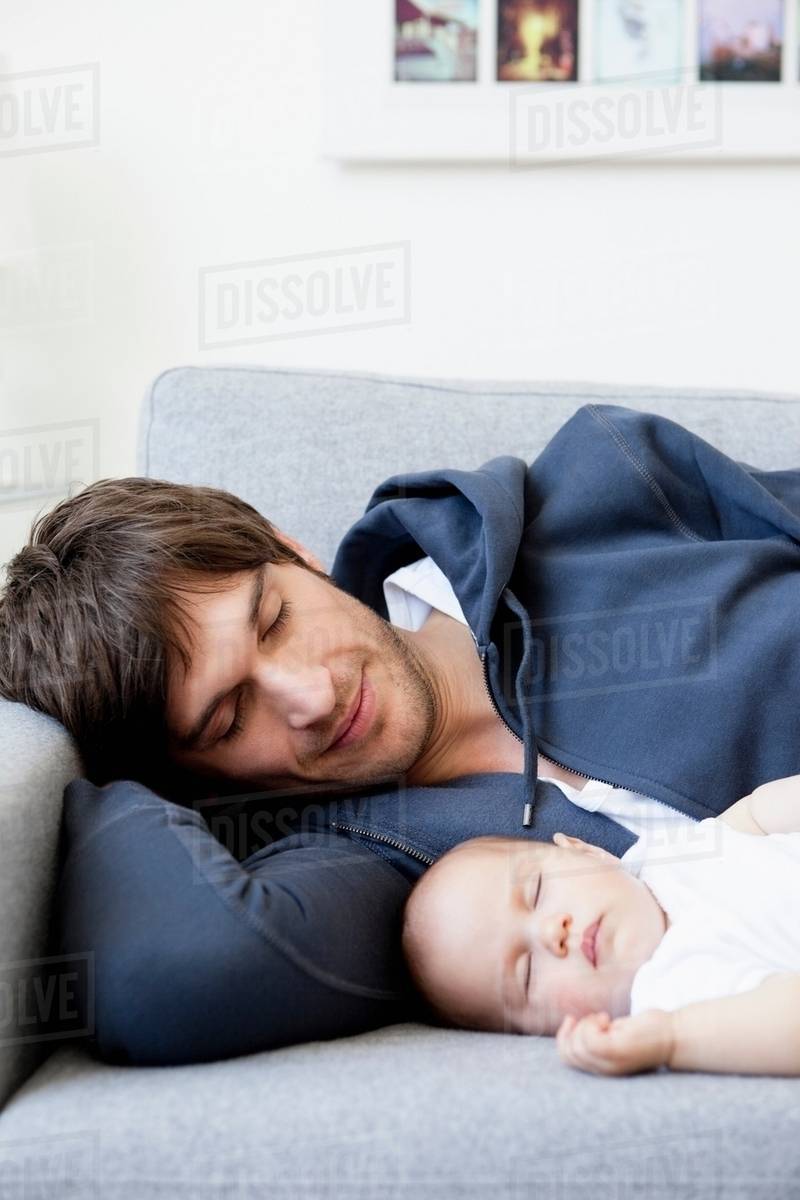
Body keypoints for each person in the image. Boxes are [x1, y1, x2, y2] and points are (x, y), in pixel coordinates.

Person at [3, 401, 800, 1058]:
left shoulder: (599, 483)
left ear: (293, 551)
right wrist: (101, 776)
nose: (312, 694)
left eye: (276, 621)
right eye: (229, 717)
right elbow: (166, 975)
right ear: (195, 778)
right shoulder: (366, 863)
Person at [401, 774, 800, 1077]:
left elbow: (758, 814)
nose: (550, 934)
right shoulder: (669, 994)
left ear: (586, 852)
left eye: (538, 891)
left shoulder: (672, 851)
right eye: (527, 974)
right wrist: (671, 1038)